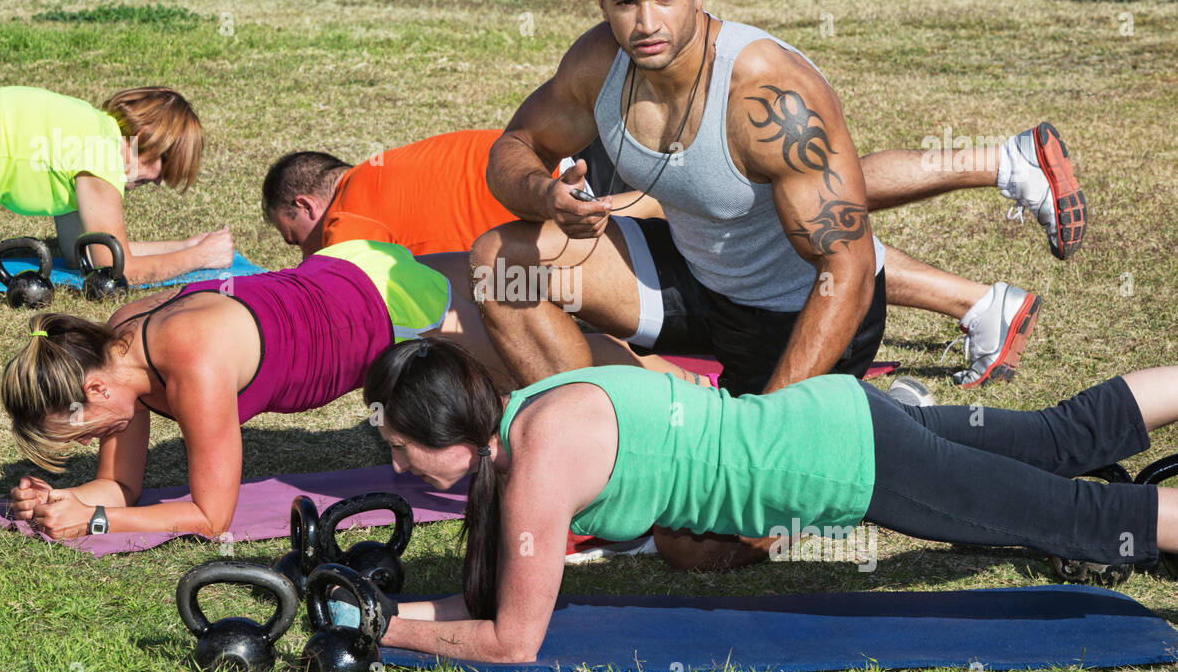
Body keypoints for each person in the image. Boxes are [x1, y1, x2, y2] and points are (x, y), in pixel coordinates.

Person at [476, 0, 1083, 399]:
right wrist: (546, 196)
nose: (646, 22)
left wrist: (772, 425)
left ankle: (884, 418)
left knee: (730, 511)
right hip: (697, 279)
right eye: (625, 3)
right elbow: (515, 146)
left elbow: (847, 271)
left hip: (793, 315)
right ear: (600, 1)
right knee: (500, 263)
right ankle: (580, 439)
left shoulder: (769, 96)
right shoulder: (598, 64)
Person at [360, 339, 1174, 664]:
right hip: (838, 412)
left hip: (846, 463)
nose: (398, 465)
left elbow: (513, 640)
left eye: (401, 446)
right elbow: (493, 602)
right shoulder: (535, 403)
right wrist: (377, 611)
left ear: (450, 428)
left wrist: (383, 629)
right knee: (1060, 435)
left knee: (1086, 521)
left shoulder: (537, 467)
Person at [0, 240, 699, 539]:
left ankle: (686, 399)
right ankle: (673, 368)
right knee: (539, 326)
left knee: (551, 370)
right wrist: (67, 501)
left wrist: (98, 523)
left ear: (95, 388)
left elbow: (212, 516)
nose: (96, 441)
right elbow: (121, 487)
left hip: (389, 304)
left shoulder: (194, 362)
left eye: (83, 431)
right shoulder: (117, 346)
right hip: (342, 273)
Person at [262, 131, 1065, 385]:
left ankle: (1000, 165)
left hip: (587, 208)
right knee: (787, 224)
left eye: (294, 235)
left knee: (795, 208)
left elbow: (326, 297)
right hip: (580, 188)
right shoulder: (393, 168)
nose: (307, 248)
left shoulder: (349, 218)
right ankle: (981, 299)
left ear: (305, 207)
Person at [0, 80, 233, 283]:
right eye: (164, 167)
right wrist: (198, 257)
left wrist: (185, 245)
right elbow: (114, 267)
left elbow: (85, 254)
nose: (157, 182)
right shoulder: (102, 153)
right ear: (144, 137)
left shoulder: (92, 131)